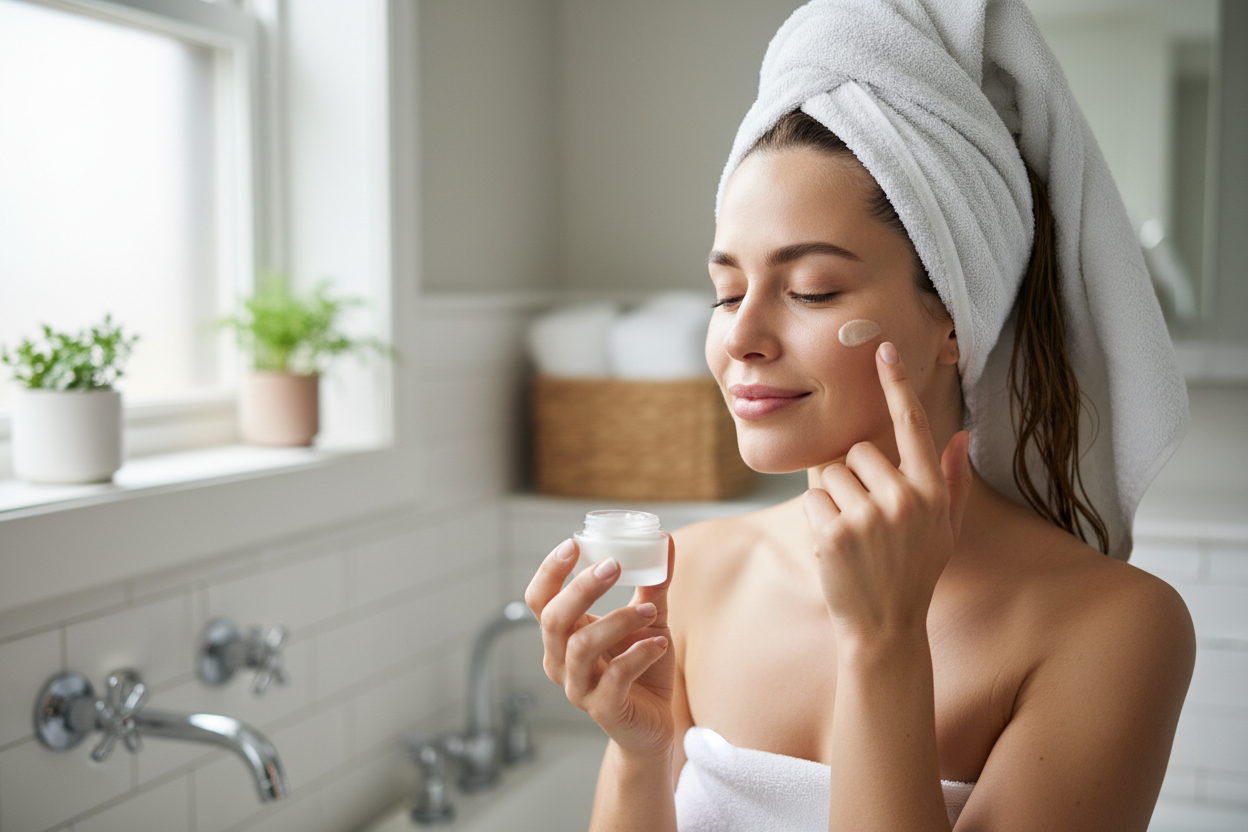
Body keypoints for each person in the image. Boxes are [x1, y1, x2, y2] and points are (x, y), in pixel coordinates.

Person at [526, 1, 1195, 829]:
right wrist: (639, 750)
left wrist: (885, 645)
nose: (741, 335)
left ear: (953, 317)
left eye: (811, 290)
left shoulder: (1113, 629)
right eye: (726, 291)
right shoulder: (689, 577)